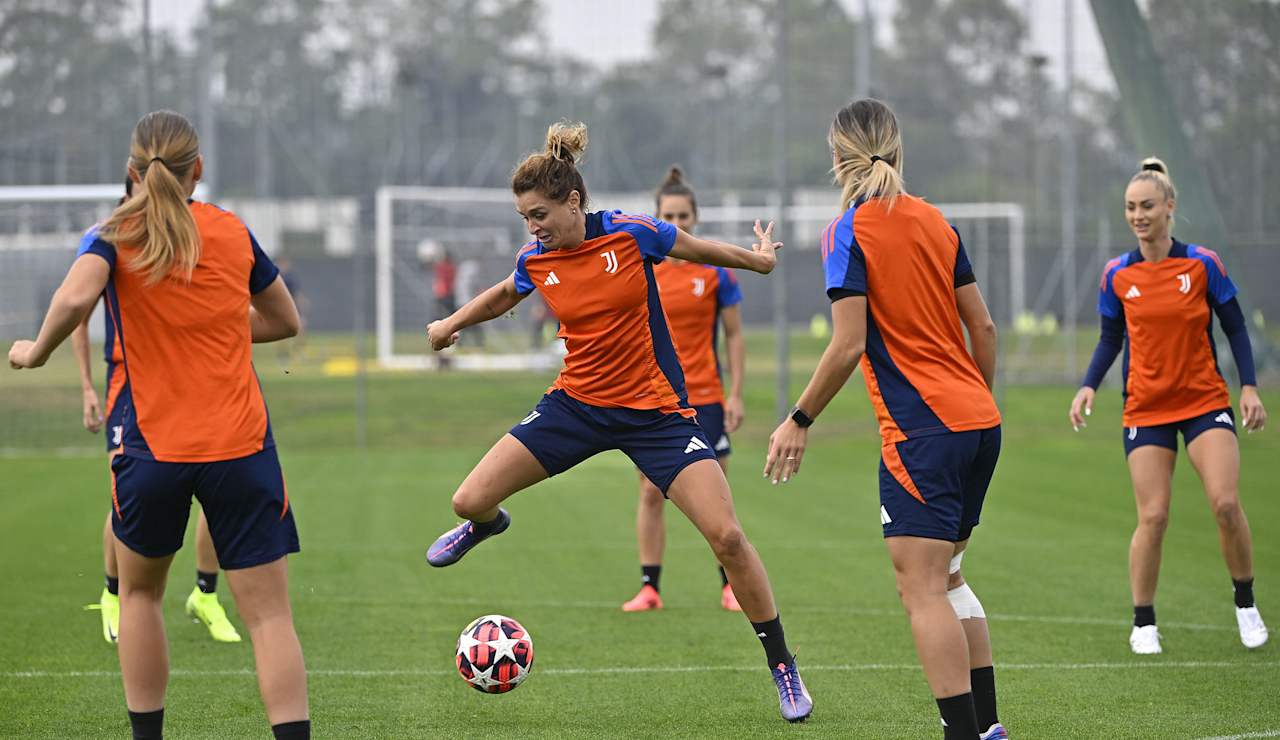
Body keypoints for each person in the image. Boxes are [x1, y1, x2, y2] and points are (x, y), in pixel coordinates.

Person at [424, 121, 812, 722]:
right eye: (525, 217)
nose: (532, 227)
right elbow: (507, 292)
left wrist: (758, 263)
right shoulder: (536, 257)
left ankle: (783, 667)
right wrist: (451, 323)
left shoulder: (632, 234)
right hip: (575, 407)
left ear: (573, 201)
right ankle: (486, 526)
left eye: (540, 214)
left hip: (656, 416)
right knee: (467, 499)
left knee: (729, 538)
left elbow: (701, 251)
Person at [8, 110, 310, 740]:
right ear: (197, 169)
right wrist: (219, 331)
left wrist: (34, 352)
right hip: (241, 445)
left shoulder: (115, 233)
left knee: (140, 597)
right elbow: (284, 321)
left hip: (151, 450)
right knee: (268, 617)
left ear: (132, 171)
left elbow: (72, 298)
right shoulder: (231, 231)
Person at [765, 99, 1006, 740]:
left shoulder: (847, 231)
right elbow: (982, 326)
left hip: (922, 434)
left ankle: (965, 736)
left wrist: (799, 418)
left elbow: (848, 344)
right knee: (950, 578)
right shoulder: (935, 221)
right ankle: (989, 730)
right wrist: (974, 402)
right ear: (896, 151)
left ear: (838, 159)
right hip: (980, 423)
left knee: (920, 590)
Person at [1069, 157, 1268, 655]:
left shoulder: (1202, 263)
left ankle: (1245, 602)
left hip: (1204, 402)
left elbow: (1236, 327)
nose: (1138, 215)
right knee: (1153, 516)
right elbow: (1110, 337)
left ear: (1169, 207)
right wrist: (1089, 384)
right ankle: (1144, 621)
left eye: (1147, 206)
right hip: (1145, 409)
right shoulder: (1117, 274)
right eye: (1130, 208)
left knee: (1225, 503)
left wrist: (1248, 386)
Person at [73, 177, 241, 646]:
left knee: (219, 492)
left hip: (198, 390)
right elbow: (76, 313)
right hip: (131, 392)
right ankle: (114, 595)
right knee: (128, 497)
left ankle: (205, 595)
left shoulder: (193, 237)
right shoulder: (108, 238)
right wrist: (87, 386)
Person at [621, 166, 747, 613]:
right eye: (667, 216)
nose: (676, 224)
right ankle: (649, 588)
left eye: (683, 216)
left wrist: (736, 394)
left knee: (716, 497)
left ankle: (729, 585)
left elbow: (733, 335)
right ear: (656, 218)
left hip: (706, 398)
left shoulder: (715, 272)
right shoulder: (643, 267)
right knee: (650, 492)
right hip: (654, 398)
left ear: (695, 219)